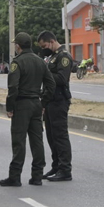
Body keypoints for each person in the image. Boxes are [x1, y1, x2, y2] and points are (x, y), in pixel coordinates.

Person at [0, 33, 55, 187]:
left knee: (19, 141)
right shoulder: (40, 62)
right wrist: (43, 102)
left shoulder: (17, 62)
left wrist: (10, 107)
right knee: (37, 140)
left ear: (18, 46)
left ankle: (15, 176)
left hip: (21, 104)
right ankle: (37, 175)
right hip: (36, 103)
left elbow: (13, 87)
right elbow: (51, 85)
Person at [37, 30, 74, 182]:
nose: (44, 48)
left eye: (44, 45)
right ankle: (56, 165)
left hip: (59, 100)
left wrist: (44, 74)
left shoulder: (63, 56)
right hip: (49, 100)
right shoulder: (51, 57)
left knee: (60, 136)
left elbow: (62, 78)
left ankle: (65, 169)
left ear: (51, 41)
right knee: (51, 136)